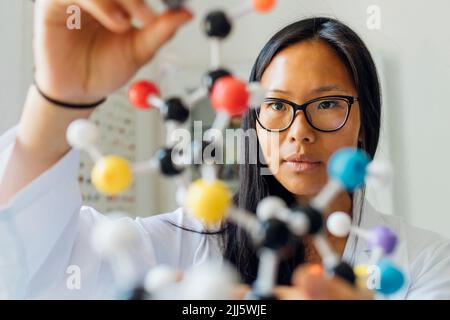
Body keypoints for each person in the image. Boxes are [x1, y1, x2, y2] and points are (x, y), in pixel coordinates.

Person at [0, 0, 449, 299]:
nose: (298, 132)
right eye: (275, 105)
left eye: (328, 104)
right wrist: (59, 99)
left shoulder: (424, 261)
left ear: (363, 124)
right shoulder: (186, 241)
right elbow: (32, 272)